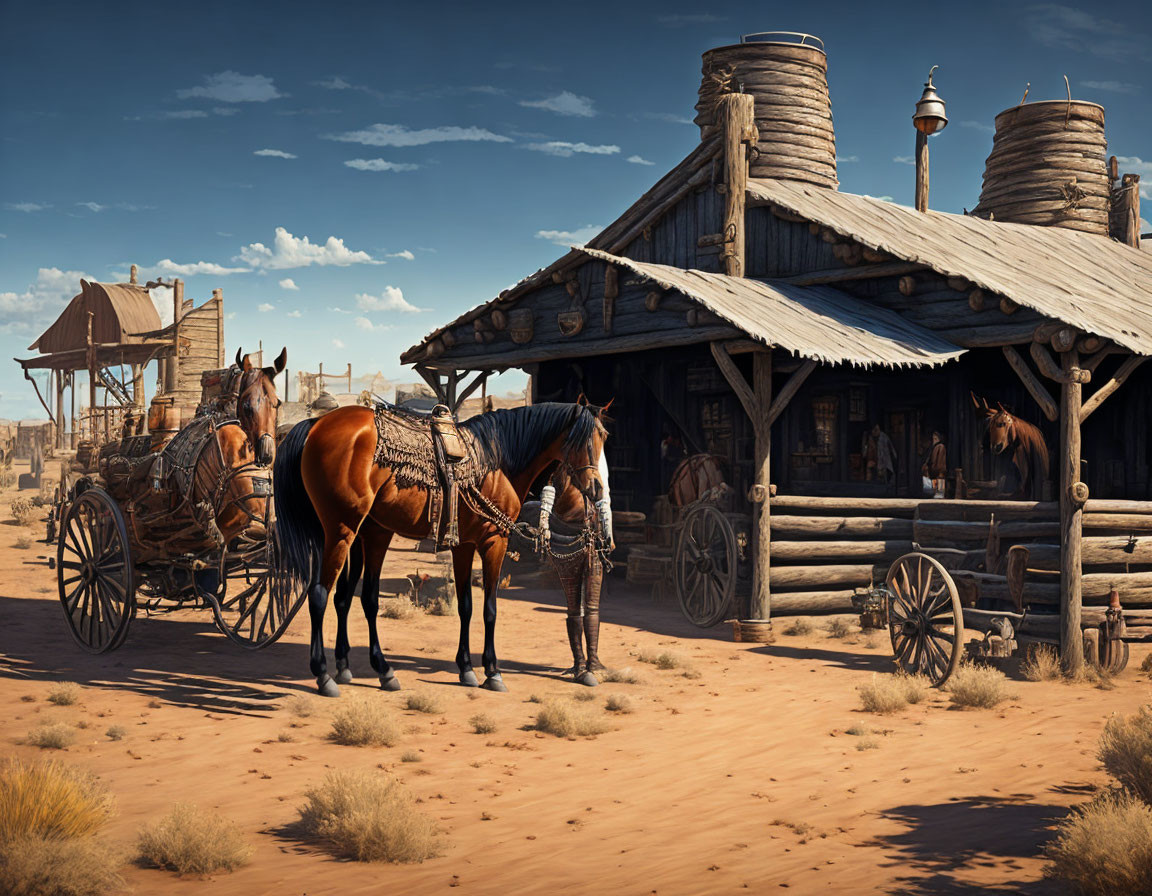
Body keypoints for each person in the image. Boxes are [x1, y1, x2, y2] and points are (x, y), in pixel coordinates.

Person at [922, 430, 947, 498]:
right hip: (934, 469)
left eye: (936, 438)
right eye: (933, 439)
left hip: (938, 469)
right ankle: (937, 493)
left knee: (940, 481)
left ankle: (940, 493)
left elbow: (940, 460)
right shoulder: (934, 447)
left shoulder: (940, 447)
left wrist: (937, 468)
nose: (934, 440)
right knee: (935, 482)